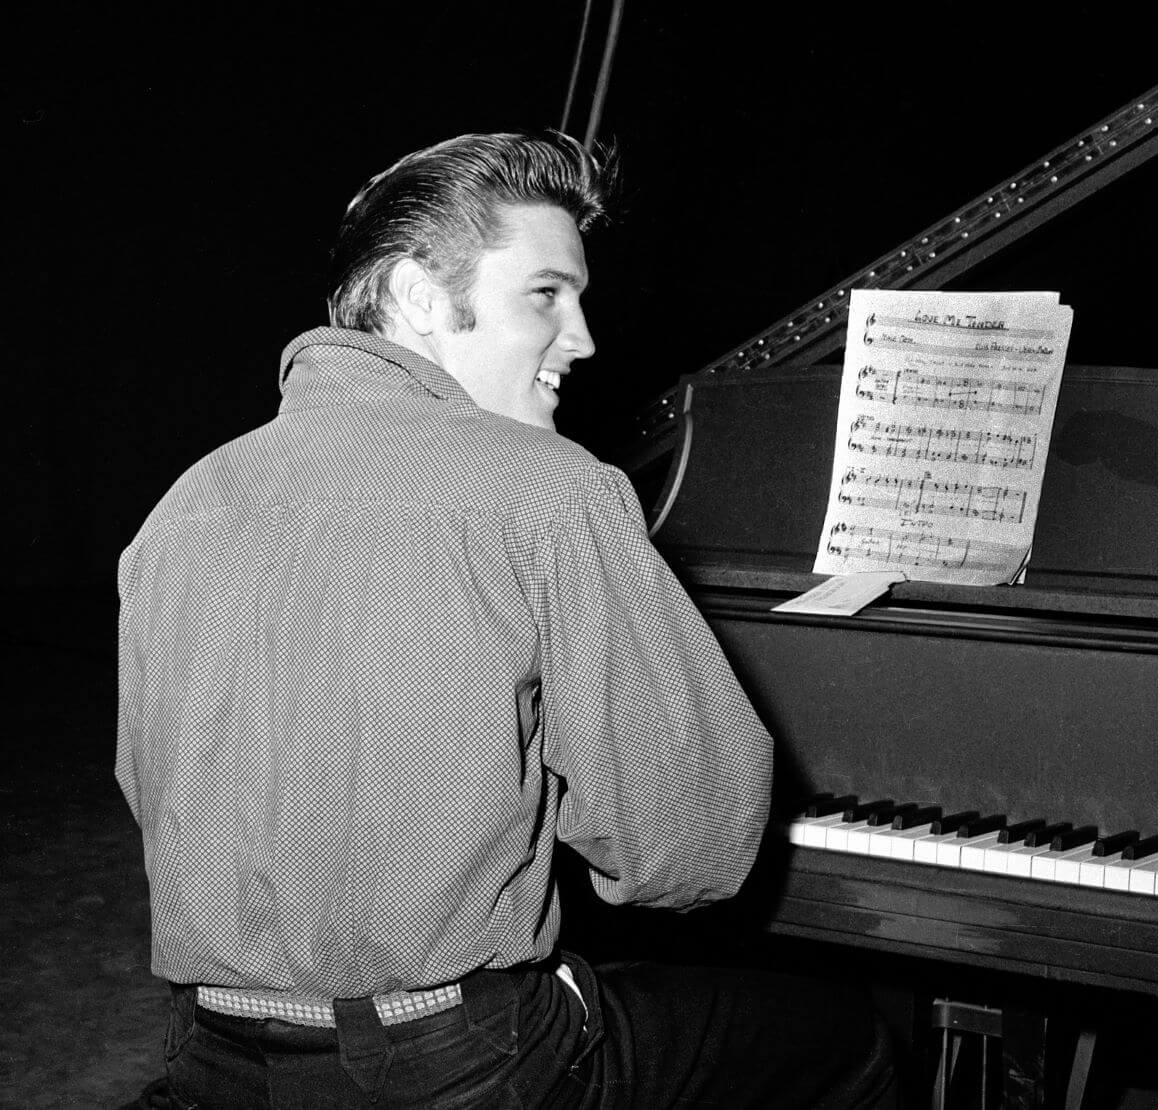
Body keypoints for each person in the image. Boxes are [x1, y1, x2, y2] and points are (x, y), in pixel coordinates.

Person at [117, 131, 895, 1108]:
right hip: (464, 1066)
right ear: (415, 297)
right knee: (845, 1034)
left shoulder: (184, 507)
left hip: (220, 1059)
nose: (583, 337)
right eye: (545, 295)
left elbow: (164, 796)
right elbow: (685, 850)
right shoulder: (549, 491)